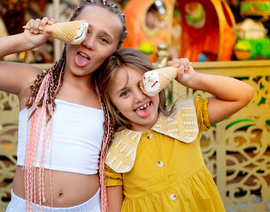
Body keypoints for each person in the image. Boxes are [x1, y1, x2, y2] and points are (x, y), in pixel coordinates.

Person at [0, 0, 127, 212]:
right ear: (66, 30)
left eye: (103, 40)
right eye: (83, 30)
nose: (89, 43)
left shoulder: (110, 97)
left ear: (113, 53)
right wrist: (27, 41)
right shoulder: (34, 82)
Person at [96, 48, 254, 211]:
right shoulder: (115, 154)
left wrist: (193, 79)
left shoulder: (185, 117)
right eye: (124, 93)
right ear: (113, 106)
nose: (139, 97)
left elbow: (243, 94)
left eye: (144, 84)